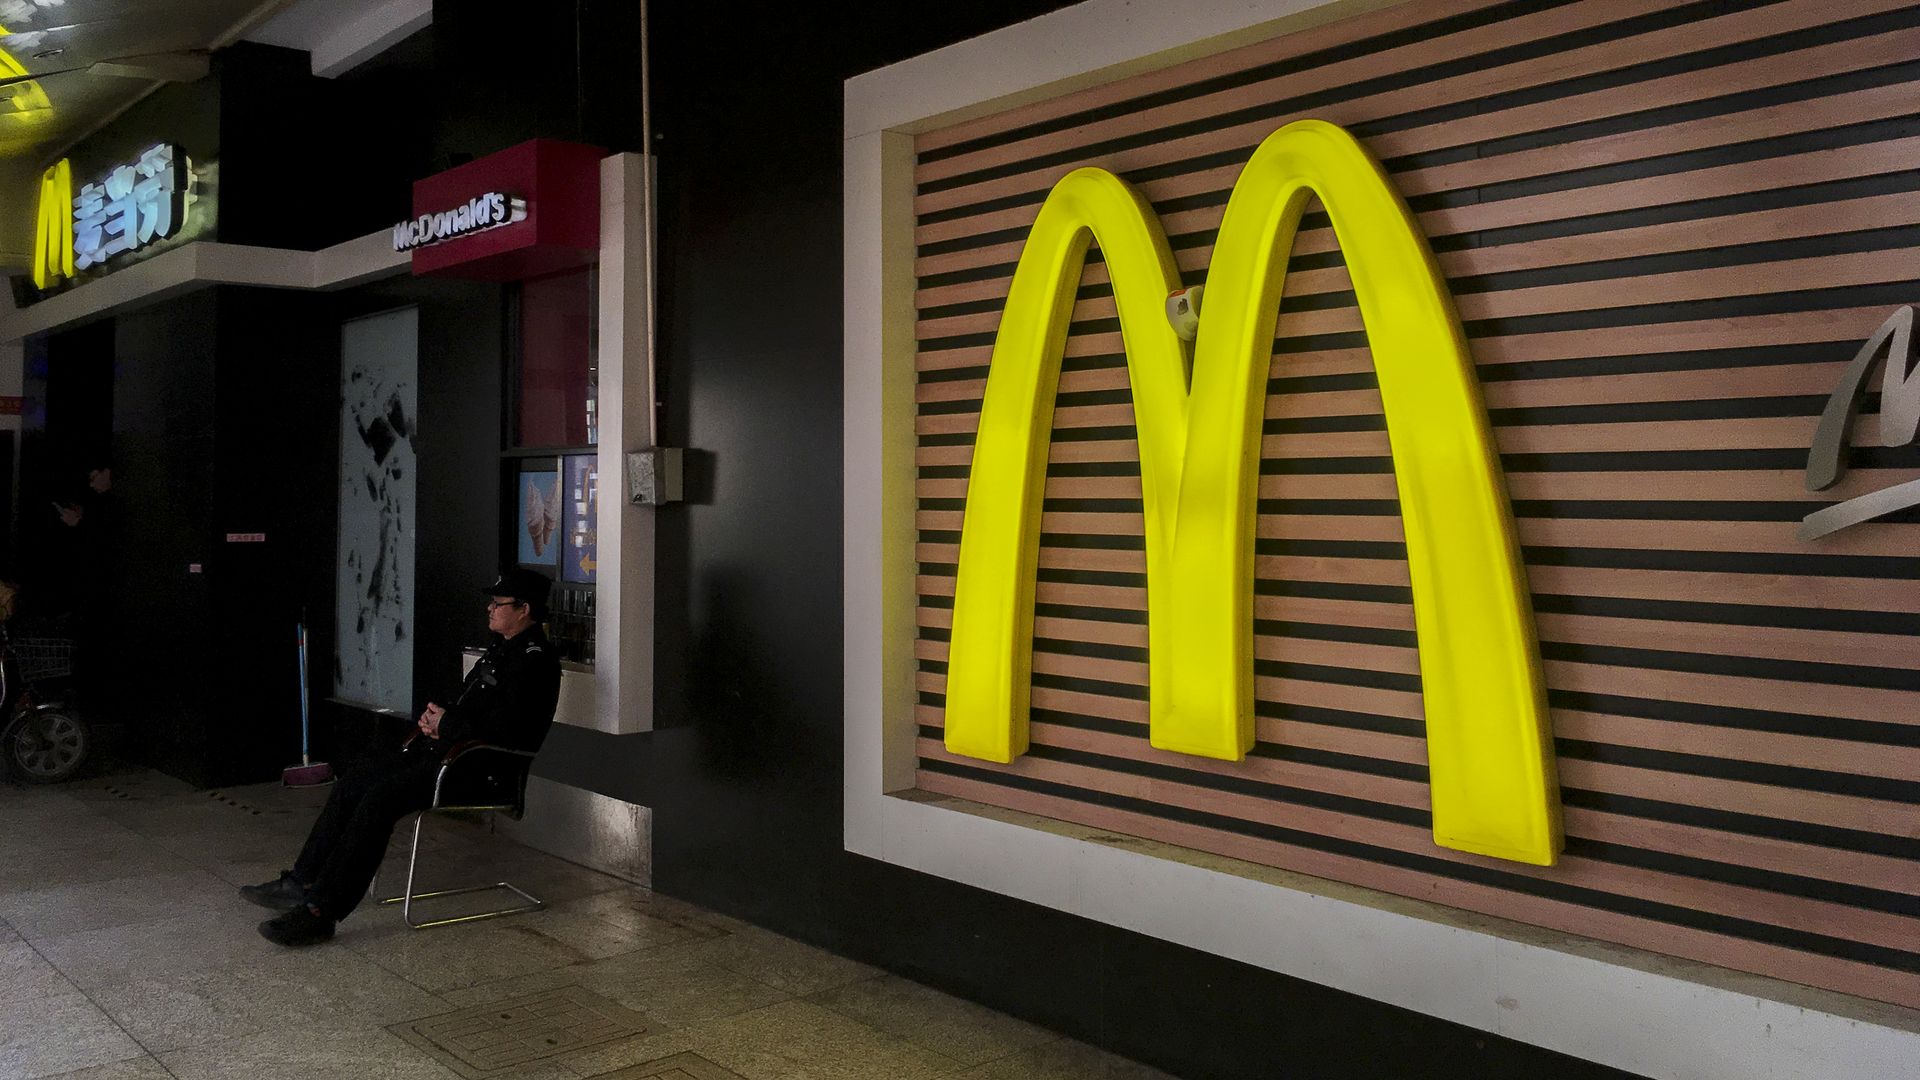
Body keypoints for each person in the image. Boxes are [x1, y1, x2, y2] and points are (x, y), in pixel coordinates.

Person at [244, 569, 562, 947]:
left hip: (476, 769)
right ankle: (303, 880)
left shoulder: (534, 660)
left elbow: (511, 732)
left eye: (498, 604)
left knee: (380, 798)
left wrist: (448, 726)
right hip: (444, 754)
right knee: (356, 781)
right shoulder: (501, 649)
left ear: (524, 609)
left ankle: (320, 912)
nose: (489, 609)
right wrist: (435, 718)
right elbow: (468, 706)